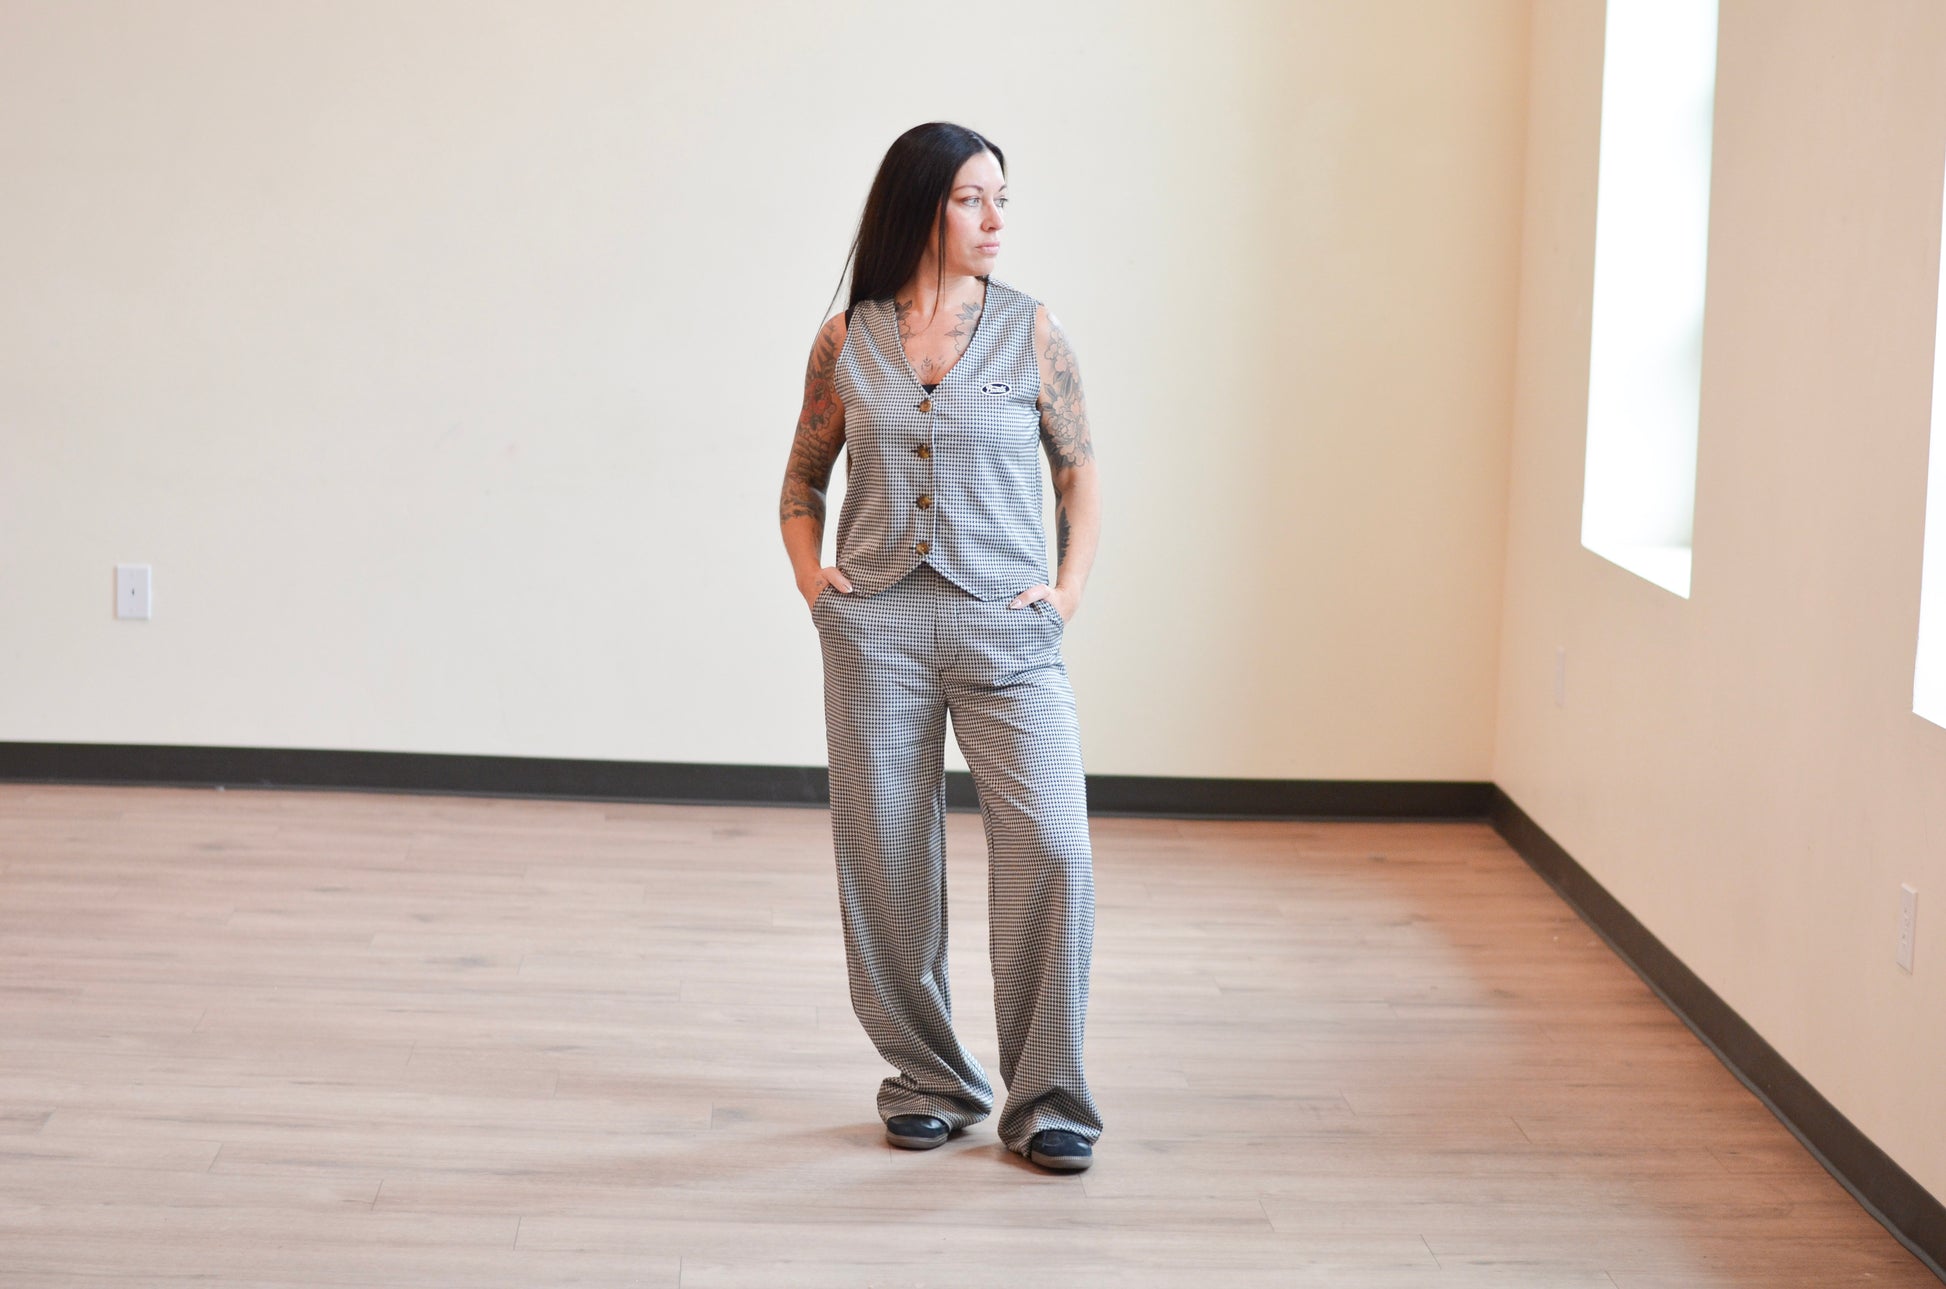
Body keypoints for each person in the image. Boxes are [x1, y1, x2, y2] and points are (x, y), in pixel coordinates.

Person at [777, 122, 1104, 1173]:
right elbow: (802, 479)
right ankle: (929, 1079)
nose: (996, 219)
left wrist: (1063, 593)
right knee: (885, 859)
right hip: (876, 626)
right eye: (972, 198)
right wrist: (814, 581)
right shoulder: (846, 339)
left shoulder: (1032, 330)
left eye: (1002, 198)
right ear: (920, 205)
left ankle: (1048, 1097)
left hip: (1006, 627)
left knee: (1051, 845)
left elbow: (1078, 472)